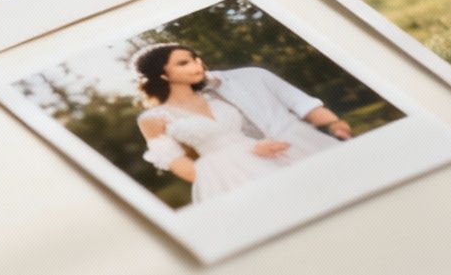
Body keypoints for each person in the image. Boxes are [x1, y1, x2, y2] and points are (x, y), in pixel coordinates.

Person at [132, 44, 352, 204]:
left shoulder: (231, 87)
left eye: (194, 58)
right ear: (162, 75)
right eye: (183, 62)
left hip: (283, 149)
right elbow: (176, 160)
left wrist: (333, 124)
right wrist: (218, 177)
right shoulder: (155, 117)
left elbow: (293, 109)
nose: (196, 64)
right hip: (234, 172)